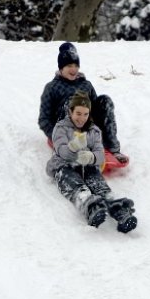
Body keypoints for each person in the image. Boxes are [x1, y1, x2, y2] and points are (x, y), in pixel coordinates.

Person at [46, 90, 137, 232]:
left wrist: (92, 157)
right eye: (78, 113)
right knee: (76, 187)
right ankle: (90, 207)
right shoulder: (61, 128)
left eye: (85, 114)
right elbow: (61, 151)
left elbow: (101, 155)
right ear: (70, 112)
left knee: (101, 187)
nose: (81, 118)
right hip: (64, 166)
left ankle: (120, 211)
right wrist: (74, 146)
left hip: (88, 167)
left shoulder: (93, 130)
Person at [39, 41, 129, 163]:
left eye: (76, 65)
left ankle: (111, 148)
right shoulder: (52, 87)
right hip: (66, 132)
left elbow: (97, 112)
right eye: (69, 66)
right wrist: (56, 138)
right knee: (72, 102)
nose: (73, 69)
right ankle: (76, 146)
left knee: (104, 101)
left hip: (86, 127)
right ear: (61, 67)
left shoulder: (86, 84)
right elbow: (44, 120)